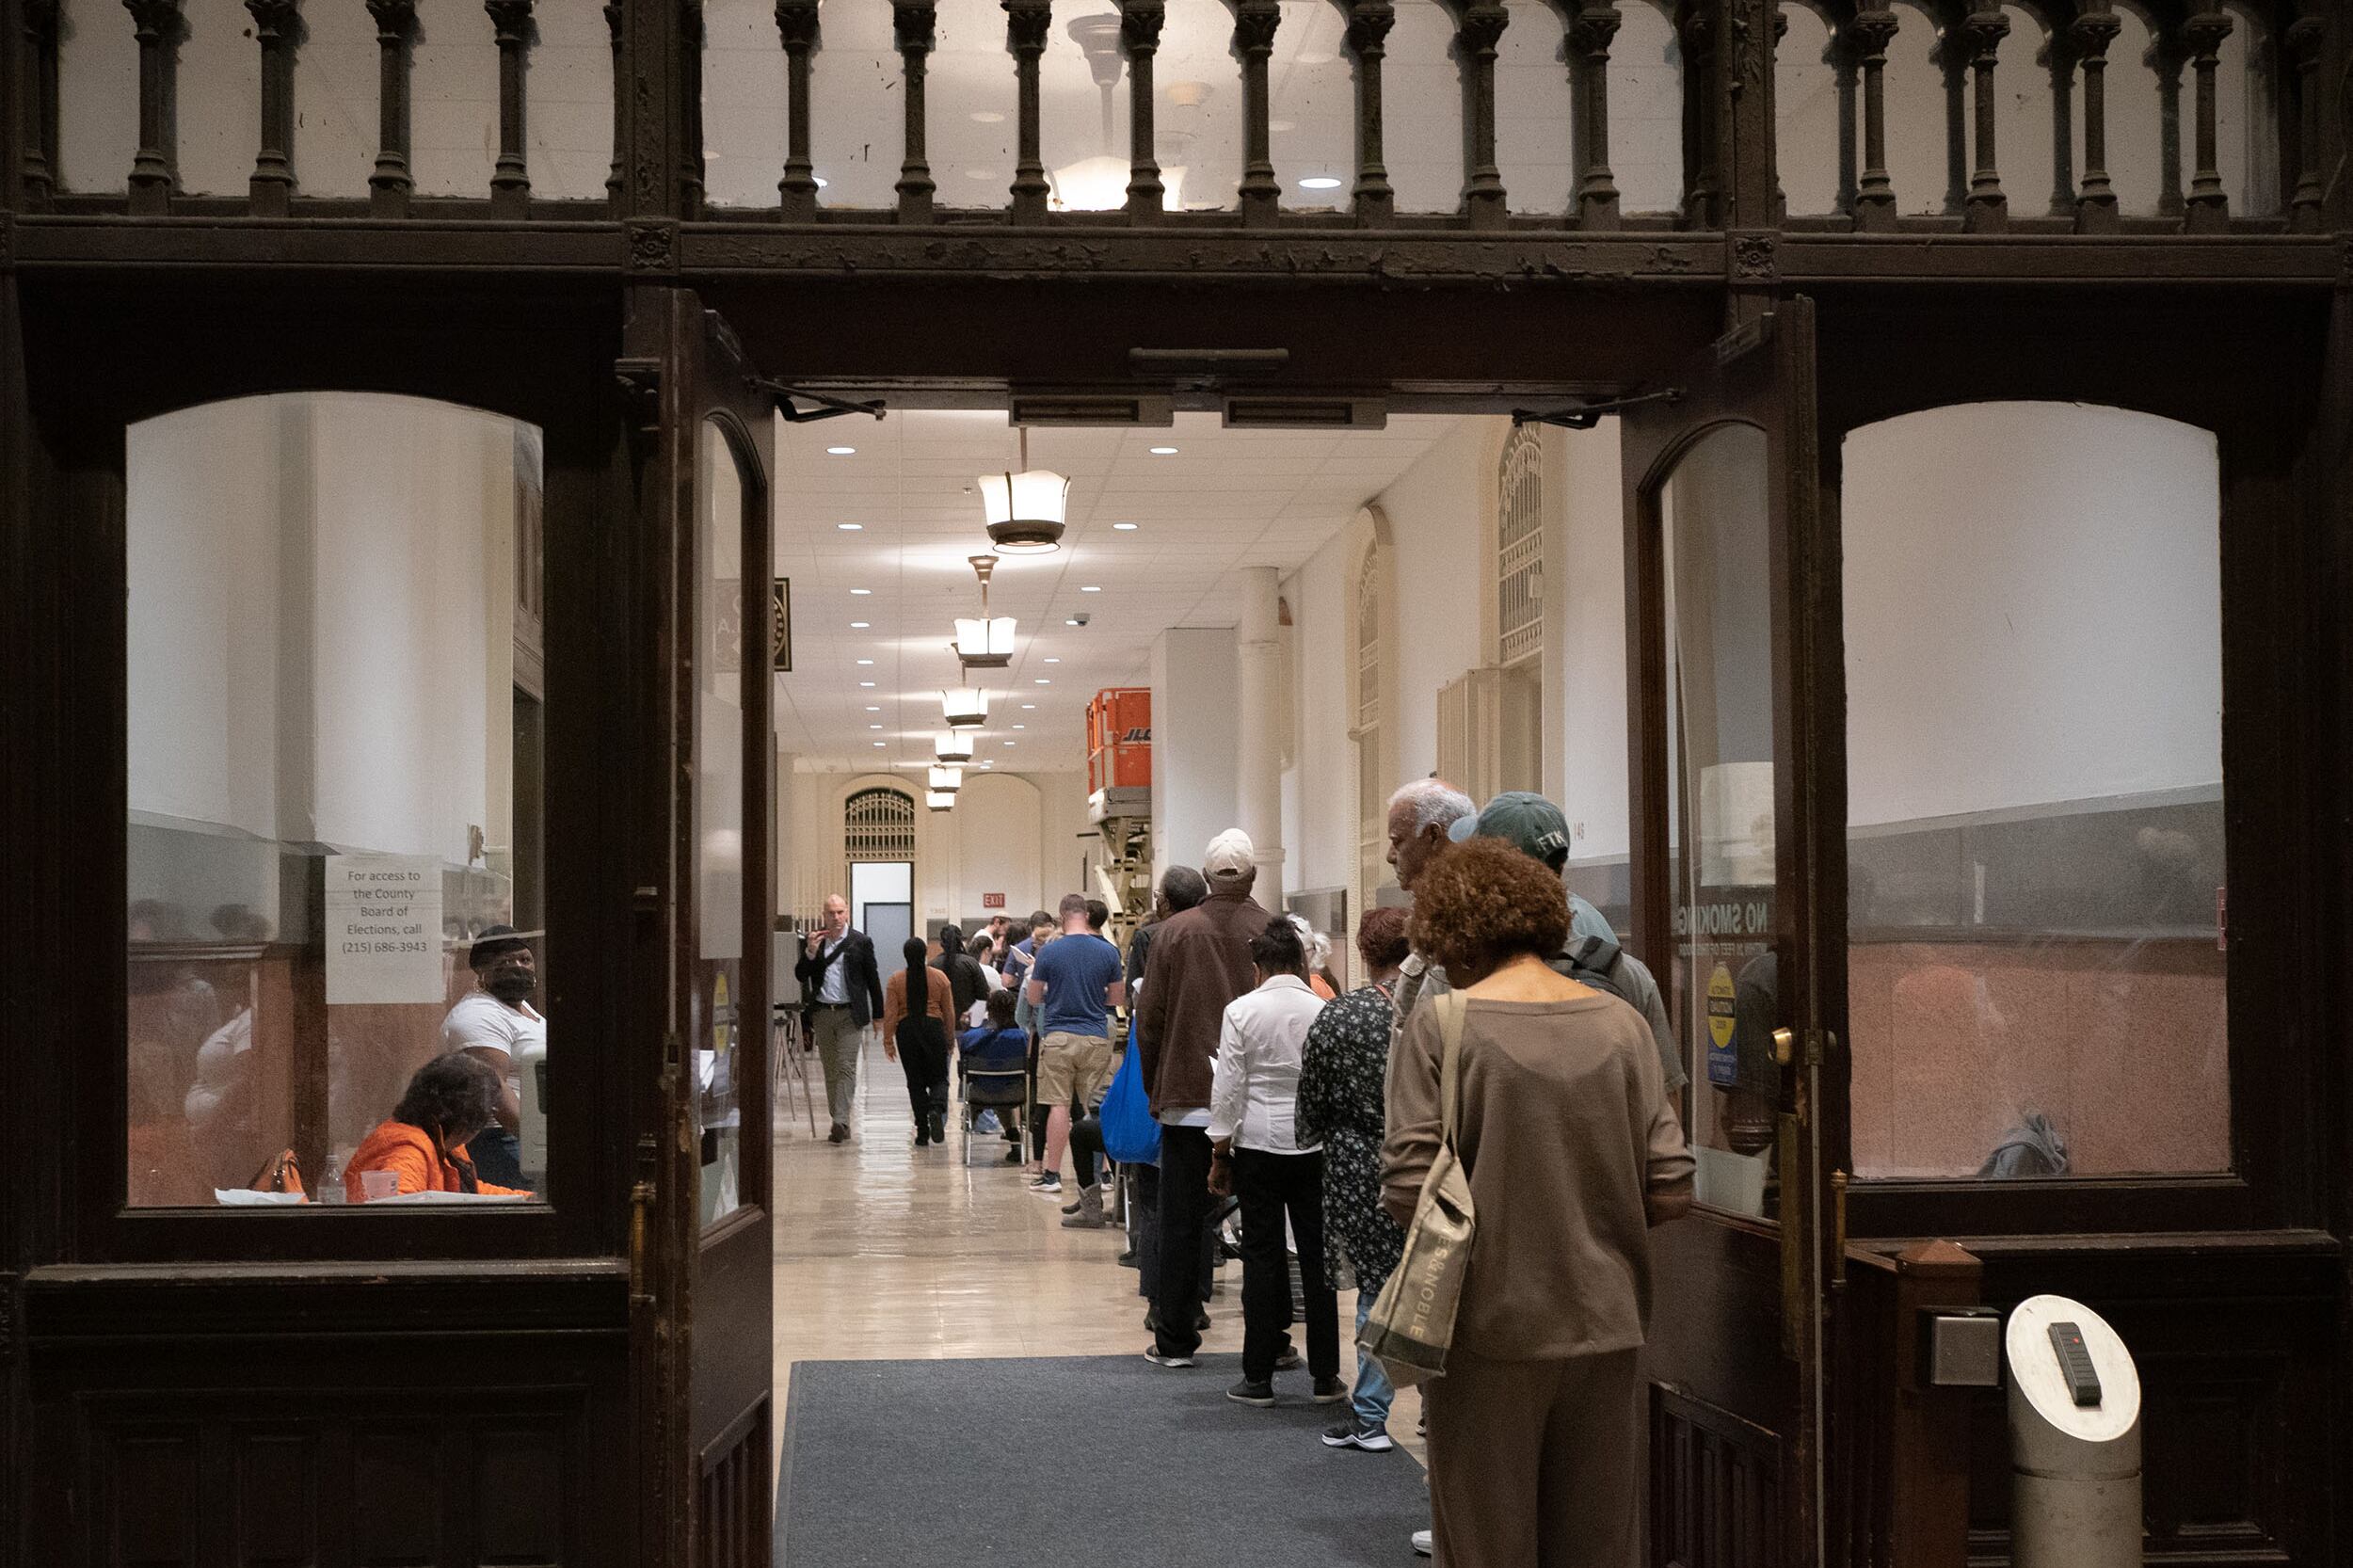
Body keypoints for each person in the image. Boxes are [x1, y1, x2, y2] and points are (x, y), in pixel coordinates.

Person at [1383, 839, 1694, 1568]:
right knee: (1598, 1544)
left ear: (1451, 936)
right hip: (1609, 1322)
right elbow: (1673, 1183)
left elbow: (1405, 1185)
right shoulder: (1622, 1025)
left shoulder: (1447, 1024)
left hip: (1486, 1330)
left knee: (1487, 1542)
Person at [1136, 829, 1273, 1369]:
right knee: (1262, 1224)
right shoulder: (1273, 932)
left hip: (1187, 1097)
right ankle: (1269, 1342)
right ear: (1254, 877)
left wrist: (1158, 1084)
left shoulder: (1172, 933)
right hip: (1258, 1105)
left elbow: (1150, 1021)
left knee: (1179, 1220)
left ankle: (1174, 1339)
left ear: (1207, 877)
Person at [1445, 791, 1687, 1095]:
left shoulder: (1451, 975)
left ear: (1484, 870)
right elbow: (1665, 1102)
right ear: (1560, 867)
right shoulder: (1626, 973)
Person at [1209, 915, 1343, 1408]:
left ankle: (1258, 1376)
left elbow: (1227, 1089)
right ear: (1302, 960)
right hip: (1314, 1147)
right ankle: (1326, 1376)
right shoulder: (1324, 1008)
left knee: (1262, 1259)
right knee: (1317, 1259)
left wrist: (1220, 1153)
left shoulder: (1241, 1011)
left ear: (1257, 965)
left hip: (1259, 1146)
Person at [1295, 904, 1412, 1451]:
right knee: (1434, 1280)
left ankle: (1369, 1416)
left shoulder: (1339, 1015)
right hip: (1428, 1157)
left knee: (1374, 1283)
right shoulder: (1434, 1010)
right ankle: (1437, 1409)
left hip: (1355, 1163)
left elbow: (1311, 1101)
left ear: (1364, 954)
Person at [1122, 867, 1208, 1287]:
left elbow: (1144, 1014)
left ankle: (1159, 1288)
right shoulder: (1220, 934)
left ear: (1164, 901)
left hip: (1170, 1080)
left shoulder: (1153, 937)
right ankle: (1200, 1285)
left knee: (1160, 1191)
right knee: (1205, 1197)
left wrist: (1151, 1084)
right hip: (1212, 1079)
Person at [1025, 892, 1127, 1202]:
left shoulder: (1049, 952)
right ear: (1086, 915)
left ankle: (1052, 1175)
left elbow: (1032, 997)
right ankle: (1107, 1174)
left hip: (1057, 1036)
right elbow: (1117, 999)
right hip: (1096, 1035)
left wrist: (1054, 999)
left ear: (1061, 915)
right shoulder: (1108, 952)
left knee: (1058, 1104)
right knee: (1093, 1107)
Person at [440, 925, 545, 1191]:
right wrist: (539, 1145)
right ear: (481, 971)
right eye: (505, 962)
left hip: (531, 1136)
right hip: (501, 1138)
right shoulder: (478, 1015)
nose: (518, 967)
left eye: (525, 959)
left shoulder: (523, 1010)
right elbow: (494, 1087)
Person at [345, 1051, 533, 1199]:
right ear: (468, 1119)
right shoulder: (409, 1150)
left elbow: (469, 1193)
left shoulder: (440, 1140)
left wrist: (528, 1200)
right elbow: (396, 1212)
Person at [1383, 778, 1477, 1037]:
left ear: (1434, 836)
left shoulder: (1466, 928)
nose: (1390, 855)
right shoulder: (1437, 919)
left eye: (1397, 841)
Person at [794, 895, 886, 1144]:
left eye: (839, 912)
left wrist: (879, 1014)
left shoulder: (860, 942)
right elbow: (801, 975)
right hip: (823, 1013)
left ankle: (840, 1120)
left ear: (847, 914)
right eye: (830, 913)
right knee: (830, 1069)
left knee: (846, 1066)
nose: (835, 917)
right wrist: (810, 953)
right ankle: (839, 1117)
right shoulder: (816, 942)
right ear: (824, 915)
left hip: (849, 1014)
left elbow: (872, 979)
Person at [883, 936, 959, 1145]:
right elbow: (949, 1012)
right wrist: (950, 1037)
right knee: (939, 1078)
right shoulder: (940, 978)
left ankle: (923, 1131)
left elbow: (890, 1013)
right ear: (926, 953)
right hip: (934, 1029)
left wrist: (888, 1041)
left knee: (915, 1083)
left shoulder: (895, 980)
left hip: (907, 1031)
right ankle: (936, 1108)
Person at [958, 989, 1030, 1162]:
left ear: (988, 1010)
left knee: (986, 1085)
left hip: (979, 1094)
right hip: (1015, 1094)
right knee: (1003, 1084)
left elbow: (963, 1073)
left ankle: (968, 1123)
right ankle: (1014, 1138)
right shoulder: (1023, 1038)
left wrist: (966, 1028)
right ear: (1013, 1010)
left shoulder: (970, 1037)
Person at [934, 922, 990, 1025]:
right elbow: (984, 995)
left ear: (941, 943)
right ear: (961, 941)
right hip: (967, 1023)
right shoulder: (971, 963)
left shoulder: (933, 966)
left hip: (940, 1025)